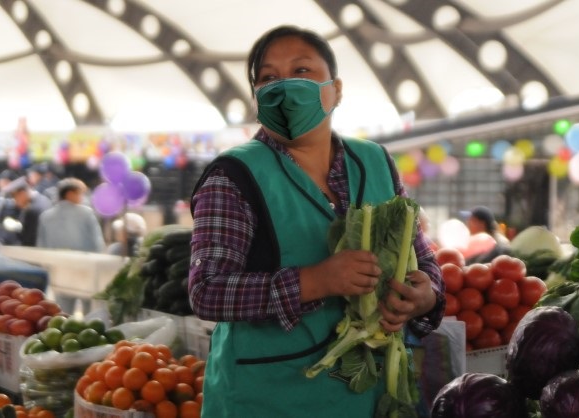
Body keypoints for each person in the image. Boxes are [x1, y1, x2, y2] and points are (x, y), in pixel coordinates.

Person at [188, 25, 444, 418]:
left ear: (335, 90)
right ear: (257, 98)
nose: (285, 87)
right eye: (269, 78)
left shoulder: (375, 161)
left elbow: (421, 257)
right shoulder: (233, 175)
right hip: (267, 399)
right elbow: (207, 291)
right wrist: (316, 281)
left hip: (367, 398)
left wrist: (424, 296)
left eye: (302, 71)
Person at [36, 177, 105, 252]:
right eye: (79, 194)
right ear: (70, 194)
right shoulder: (86, 213)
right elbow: (97, 242)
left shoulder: (45, 216)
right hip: (81, 260)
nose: (82, 198)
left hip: (53, 260)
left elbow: (41, 245)